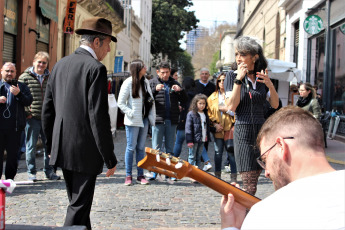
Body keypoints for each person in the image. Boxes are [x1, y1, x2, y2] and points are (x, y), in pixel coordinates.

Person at [42, 17, 118, 229]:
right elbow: (98, 117)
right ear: (96, 42)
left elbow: (47, 111)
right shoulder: (96, 68)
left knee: (79, 204)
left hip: (63, 148)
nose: (108, 50)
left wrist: (50, 146)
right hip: (84, 150)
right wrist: (109, 157)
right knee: (78, 207)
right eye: (108, 44)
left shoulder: (59, 65)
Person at [220, 106, 345, 230]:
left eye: (265, 159)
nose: (267, 172)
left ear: (281, 146)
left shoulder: (266, 215)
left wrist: (230, 227)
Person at [224, 36, 279, 195]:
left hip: (262, 132)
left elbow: (275, 104)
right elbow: (231, 106)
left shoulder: (262, 77)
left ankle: (249, 211)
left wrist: (269, 85)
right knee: (248, 183)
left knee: (257, 181)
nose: (238, 58)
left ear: (254, 56)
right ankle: (246, 214)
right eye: (236, 54)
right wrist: (239, 80)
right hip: (242, 131)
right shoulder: (232, 76)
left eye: (242, 54)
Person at [18, 51, 60, 181]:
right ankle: (31, 172)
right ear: (34, 62)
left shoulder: (51, 77)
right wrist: (27, 113)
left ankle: (49, 171)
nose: (41, 65)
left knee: (49, 146)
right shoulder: (25, 77)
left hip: (48, 118)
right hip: (33, 117)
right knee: (31, 146)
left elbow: (56, 96)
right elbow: (19, 97)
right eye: (39, 62)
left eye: (44, 63)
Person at [118, 59, 155, 186]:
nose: (146, 68)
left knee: (140, 148)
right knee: (131, 147)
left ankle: (140, 175)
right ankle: (128, 175)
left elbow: (150, 99)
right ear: (138, 69)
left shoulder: (145, 82)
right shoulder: (128, 82)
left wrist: (150, 115)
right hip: (133, 121)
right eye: (144, 66)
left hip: (144, 119)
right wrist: (131, 113)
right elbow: (120, 102)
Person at [148, 61, 187, 180]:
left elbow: (185, 100)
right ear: (158, 72)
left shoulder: (174, 83)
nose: (165, 75)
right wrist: (154, 90)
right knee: (156, 148)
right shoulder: (152, 83)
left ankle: (169, 172)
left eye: (167, 72)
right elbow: (146, 99)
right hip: (158, 120)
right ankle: (155, 172)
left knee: (170, 148)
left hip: (172, 120)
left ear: (170, 72)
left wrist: (180, 91)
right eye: (163, 72)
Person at [0, 62, 33, 180]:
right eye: (7, 71)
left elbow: (29, 101)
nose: (9, 73)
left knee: (13, 157)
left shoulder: (22, 86)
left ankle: (9, 179)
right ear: (1, 71)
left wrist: (19, 94)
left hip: (15, 128)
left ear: (15, 73)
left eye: (12, 71)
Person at [207, 73, 237, 180]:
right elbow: (209, 113)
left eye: (224, 80)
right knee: (218, 152)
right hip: (218, 129)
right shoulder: (212, 97)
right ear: (217, 82)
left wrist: (227, 110)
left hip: (230, 128)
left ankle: (234, 177)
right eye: (220, 80)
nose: (222, 82)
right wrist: (215, 124)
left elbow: (237, 111)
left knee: (231, 152)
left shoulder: (233, 95)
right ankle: (217, 176)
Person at [194, 68, 216, 171]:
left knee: (206, 138)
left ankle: (204, 161)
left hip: (208, 114)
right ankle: (198, 161)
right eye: (202, 74)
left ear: (209, 75)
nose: (204, 75)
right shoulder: (195, 84)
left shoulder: (212, 86)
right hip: (196, 114)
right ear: (200, 74)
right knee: (197, 139)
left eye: (206, 74)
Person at [185, 94, 213, 170]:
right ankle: (190, 173)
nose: (202, 105)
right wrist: (189, 141)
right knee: (192, 156)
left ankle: (197, 173)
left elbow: (206, 127)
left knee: (199, 156)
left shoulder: (205, 114)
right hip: (194, 140)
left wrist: (207, 136)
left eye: (204, 103)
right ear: (195, 103)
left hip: (202, 139)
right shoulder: (191, 114)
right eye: (200, 103)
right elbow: (188, 128)